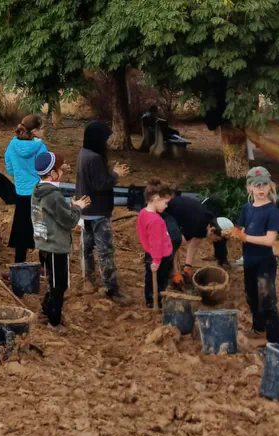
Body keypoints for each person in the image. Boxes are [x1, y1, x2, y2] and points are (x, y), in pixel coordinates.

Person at [31, 152, 90, 327]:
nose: (62, 172)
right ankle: (54, 320)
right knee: (59, 285)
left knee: (54, 281)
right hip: (55, 247)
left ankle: (46, 309)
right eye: (59, 170)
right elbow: (69, 221)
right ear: (52, 174)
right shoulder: (53, 196)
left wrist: (68, 206)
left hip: (44, 244)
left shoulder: (39, 190)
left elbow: (54, 212)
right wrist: (77, 207)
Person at [225, 167, 279, 343]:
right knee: (251, 296)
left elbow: (269, 240)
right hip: (249, 261)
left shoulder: (272, 211)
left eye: (264, 184)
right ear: (249, 187)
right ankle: (259, 328)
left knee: (268, 301)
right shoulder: (247, 208)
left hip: (265, 262)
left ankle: (275, 344)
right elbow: (241, 228)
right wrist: (231, 231)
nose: (261, 189)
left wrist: (245, 237)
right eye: (256, 185)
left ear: (270, 186)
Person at [76, 121, 129, 302]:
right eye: (105, 138)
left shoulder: (83, 154)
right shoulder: (95, 158)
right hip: (98, 211)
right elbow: (101, 184)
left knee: (86, 249)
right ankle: (111, 289)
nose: (106, 142)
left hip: (85, 210)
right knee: (105, 251)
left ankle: (88, 280)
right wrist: (115, 174)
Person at [5, 115, 49, 263]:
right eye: (42, 129)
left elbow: (10, 168)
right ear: (35, 131)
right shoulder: (41, 147)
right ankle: (44, 265)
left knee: (21, 227)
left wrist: (20, 175)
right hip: (38, 192)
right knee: (41, 227)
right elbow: (44, 170)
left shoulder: (12, 145)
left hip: (21, 192)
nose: (44, 131)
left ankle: (19, 262)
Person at [164, 196, 232, 286]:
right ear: (212, 230)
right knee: (170, 243)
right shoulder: (195, 226)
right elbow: (174, 246)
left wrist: (188, 266)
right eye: (216, 239)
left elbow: (195, 243)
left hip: (181, 210)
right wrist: (176, 272)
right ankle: (167, 273)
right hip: (165, 209)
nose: (213, 242)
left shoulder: (208, 222)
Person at [137, 179, 175, 309]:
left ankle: (149, 299)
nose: (167, 206)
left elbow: (143, 235)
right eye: (166, 202)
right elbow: (157, 243)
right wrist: (157, 260)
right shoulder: (156, 221)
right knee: (160, 281)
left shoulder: (143, 213)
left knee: (149, 278)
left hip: (151, 254)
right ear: (157, 199)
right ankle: (156, 301)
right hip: (160, 257)